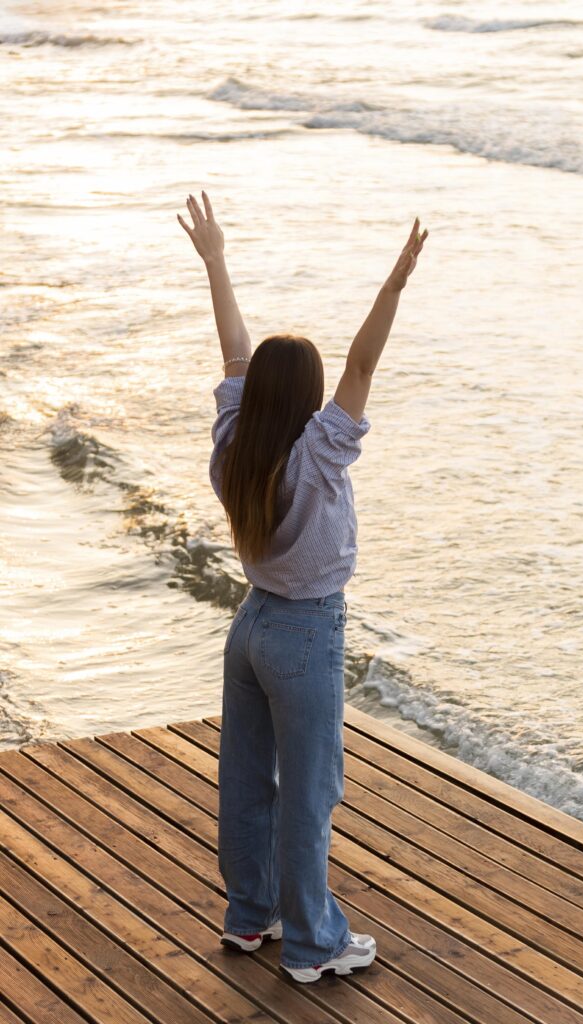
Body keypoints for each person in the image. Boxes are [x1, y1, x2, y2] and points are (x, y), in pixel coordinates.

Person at [178, 191, 427, 983]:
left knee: (249, 781)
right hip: (304, 632)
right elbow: (361, 364)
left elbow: (233, 354)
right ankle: (316, 945)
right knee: (310, 795)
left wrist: (216, 261)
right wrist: (393, 285)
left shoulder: (233, 446)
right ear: (309, 398)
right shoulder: (318, 452)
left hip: (249, 630)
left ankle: (252, 918)